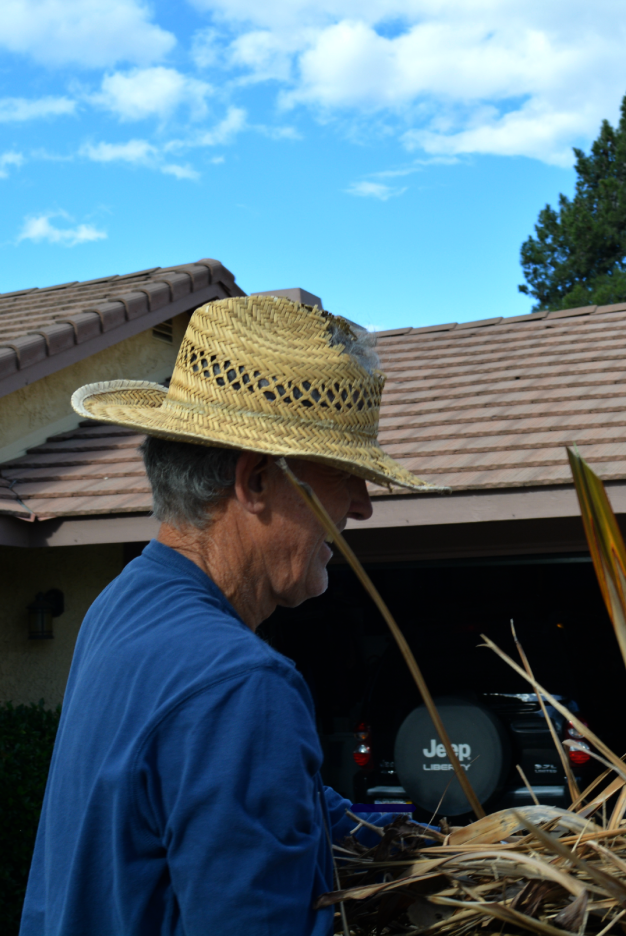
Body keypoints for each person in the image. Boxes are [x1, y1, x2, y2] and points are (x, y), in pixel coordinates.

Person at [20, 295, 446, 936]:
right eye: (343, 473)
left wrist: (443, 842)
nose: (361, 506)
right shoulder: (241, 685)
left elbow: (254, 800)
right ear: (252, 483)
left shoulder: (122, 606)